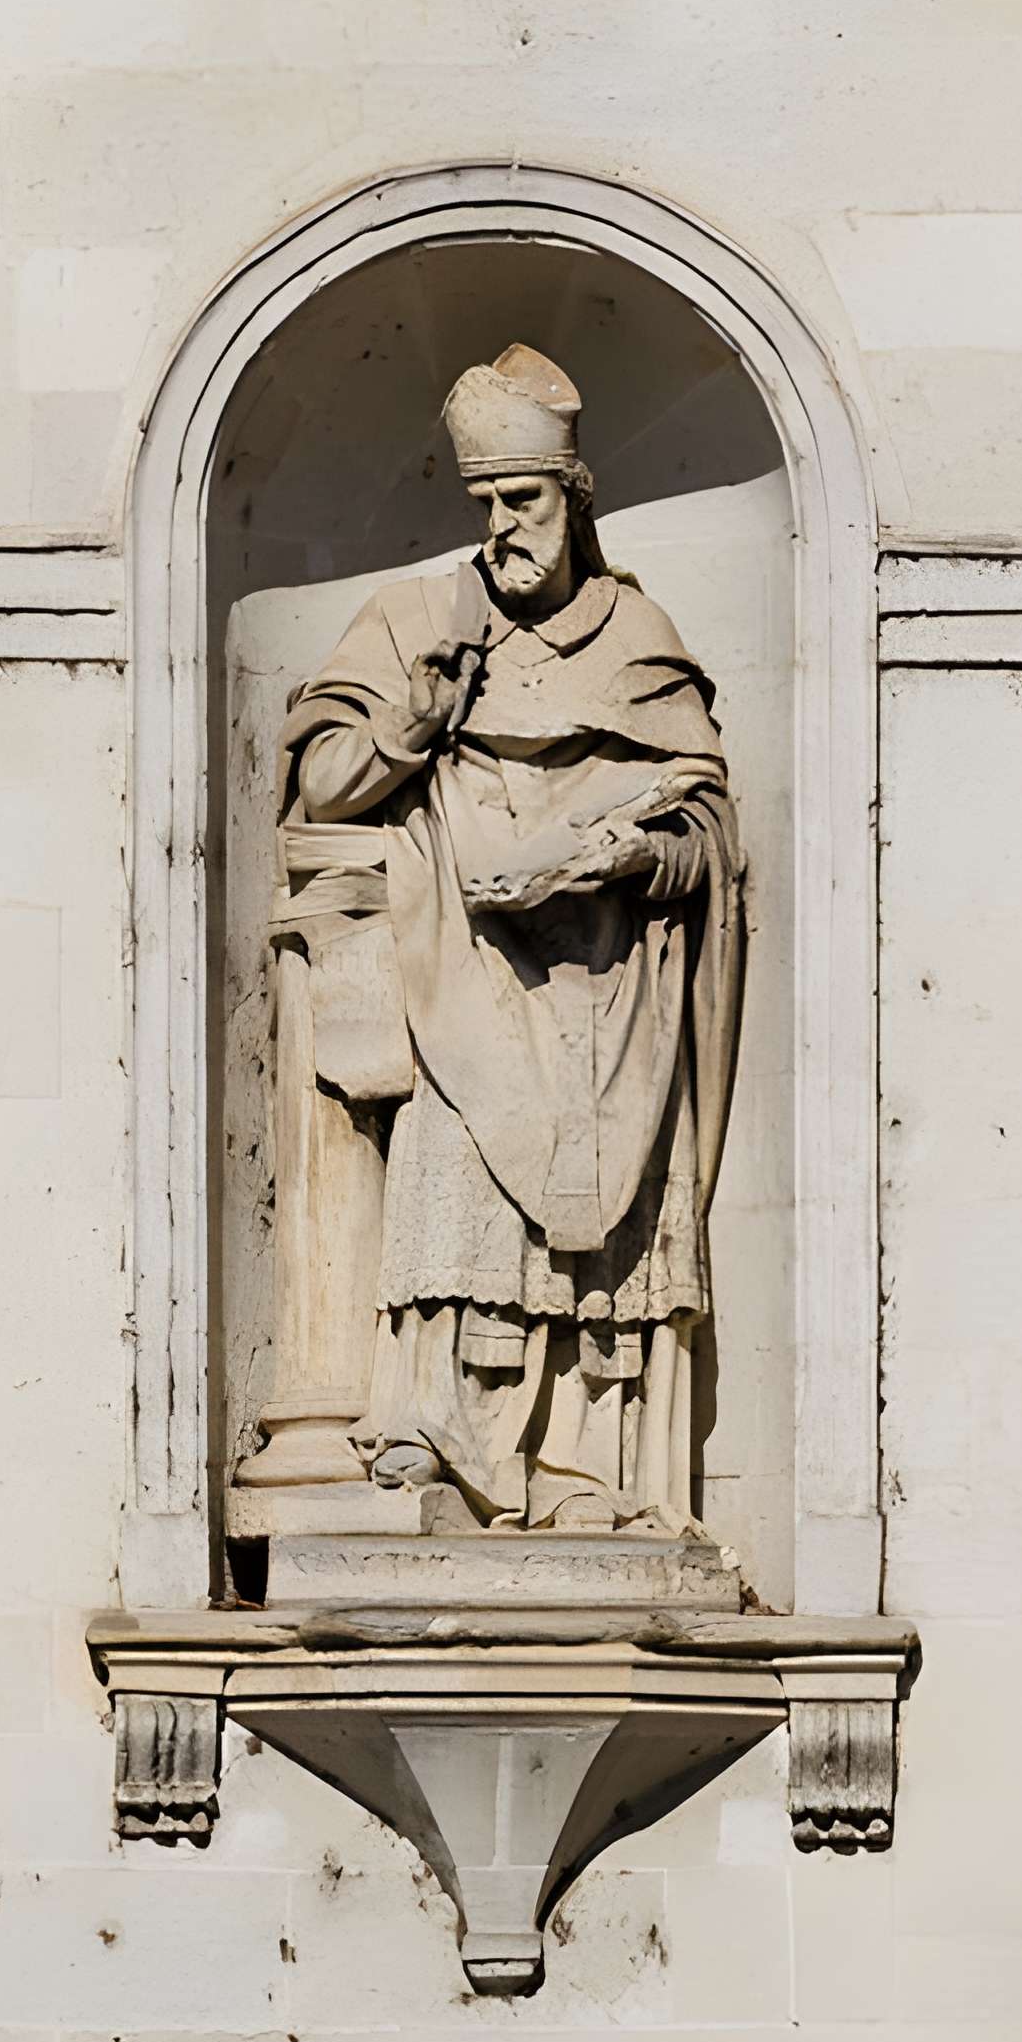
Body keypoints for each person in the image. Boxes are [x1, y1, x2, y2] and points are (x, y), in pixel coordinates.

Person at [277, 345, 743, 1531]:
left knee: (597, 1239)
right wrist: (412, 730)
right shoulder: (421, 620)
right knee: (459, 1214)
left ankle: (586, 1469)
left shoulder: (638, 634)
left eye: (523, 500)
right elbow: (321, 785)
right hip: (459, 980)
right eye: (484, 501)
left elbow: (705, 827)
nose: (500, 525)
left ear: (575, 498)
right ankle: (442, 1448)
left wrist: (636, 854)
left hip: (606, 991)